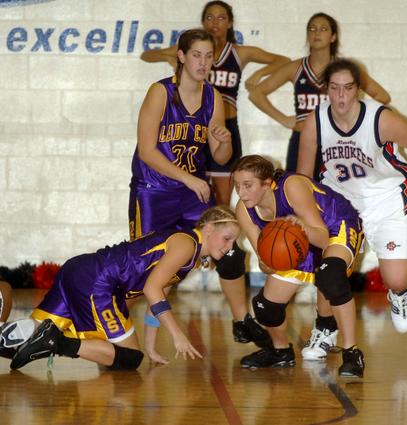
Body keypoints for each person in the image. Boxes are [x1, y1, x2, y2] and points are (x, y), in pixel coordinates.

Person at [131, 28, 270, 360]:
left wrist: (223, 142)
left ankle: (241, 321)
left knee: (230, 250)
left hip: (192, 191)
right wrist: (187, 178)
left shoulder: (213, 97)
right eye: (196, 55)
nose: (203, 62)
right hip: (153, 191)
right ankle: (108, 326)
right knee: (150, 274)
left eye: (209, 56)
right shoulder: (161, 92)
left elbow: (221, 157)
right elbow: (147, 151)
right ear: (181, 56)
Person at [297, 59, 407, 351]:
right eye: (334, 88)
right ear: (326, 90)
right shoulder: (315, 122)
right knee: (329, 269)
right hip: (340, 201)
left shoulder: (381, 119)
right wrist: (303, 217)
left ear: (358, 90)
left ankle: (400, 294)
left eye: (348, 88)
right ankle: (325, 330)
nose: (341, 96)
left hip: (386, 199)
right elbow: (302, 178)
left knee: (396, 279)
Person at [0, 206, 241, 370]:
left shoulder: (188, 250)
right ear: (209, 227)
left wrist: (151, 348)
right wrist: (177, 335)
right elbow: (152, 289)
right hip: (98, 282)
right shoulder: (187, 245)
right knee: (129, 358)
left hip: (78, 270)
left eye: (234, 242)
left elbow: (156, 302)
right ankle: (56, 342)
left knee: (22, 342)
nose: (230, 247)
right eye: (227, 238)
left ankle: (18, 335)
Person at [141, 1, 290, 206]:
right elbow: (146, 55)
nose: (215, 22)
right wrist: (169, 56)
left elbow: (282, 60)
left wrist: (258, 74)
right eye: (209, 17)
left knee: (221, 201)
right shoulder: (186, 57)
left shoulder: (238, 53)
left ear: (230, 23)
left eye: (221, 18)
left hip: (223, 127)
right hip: (193, 130)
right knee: (193, 192)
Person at [232, 155, 365, 377]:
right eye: (237, 186)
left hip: (333, 225)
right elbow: (266, 261)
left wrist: (301, 228)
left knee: (331, 277)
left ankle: (351, 352)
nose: (241, 193)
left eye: (248, 185)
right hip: (296, 239)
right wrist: (268, 264)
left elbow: (322, 239)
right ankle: (281, 351)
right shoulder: (244, 210)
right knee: (265, 307)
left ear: (267, 183)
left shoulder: (291, 187)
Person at [248, 12, 390, 179]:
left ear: (333, 36)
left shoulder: (345, 70)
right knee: (297, 188)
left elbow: (382, 96)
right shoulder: (296, 68)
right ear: (307, 35)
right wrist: (284, 119)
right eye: (312, 29)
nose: (316, 33)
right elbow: (256, 94)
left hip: (337, 140)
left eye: (323, 29)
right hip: (302, 138)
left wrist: (355, 120)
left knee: (336, 191)